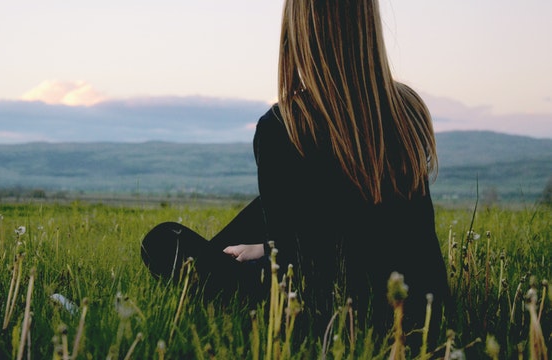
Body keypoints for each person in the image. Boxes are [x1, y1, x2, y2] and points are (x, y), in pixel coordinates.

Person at [141, 0, 450, 350]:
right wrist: (269, 246)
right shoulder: (407, 108)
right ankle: (235, 255)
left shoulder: (286, 126)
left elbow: (303, 270)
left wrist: (272, 250)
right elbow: (369, 226)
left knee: (163, 242)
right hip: (421, 311)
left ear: (300, 31)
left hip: (330, 315)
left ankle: (210, 270)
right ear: (368, 25)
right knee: (267, 209)